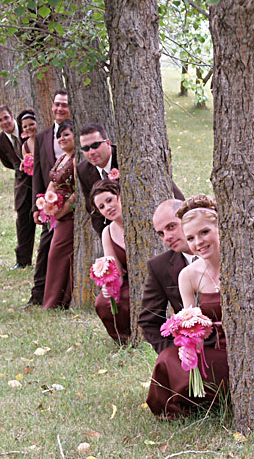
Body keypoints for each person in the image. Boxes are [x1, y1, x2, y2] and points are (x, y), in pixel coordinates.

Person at [146, 196, 231, 419]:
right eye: (191, 238)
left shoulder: (241, 263)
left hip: (242, 348)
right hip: (211, 348)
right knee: (168, 359)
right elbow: (189, 320)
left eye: (204, 233)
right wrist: (187, 345)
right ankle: (190, 405)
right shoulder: (188, 275)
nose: (198, 242)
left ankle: (221, 398)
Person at [75, 123, 187, 237]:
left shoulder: (127, 158)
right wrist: (108, 237)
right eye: (85, 148)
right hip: (117, 231)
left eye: (95, 145)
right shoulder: (82, 170)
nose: (91, 152)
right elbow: (93, 210)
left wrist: (185, 215)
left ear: (108, 143)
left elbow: (167, 188)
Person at [28, 89, 71, 307]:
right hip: (50, 205)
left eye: (64, 104)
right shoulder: (43, 136)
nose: (60, 108)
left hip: (71, 205)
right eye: (57, 104)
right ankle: (37, 294)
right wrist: (38, 205)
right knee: (45, 247)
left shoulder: (76, 133)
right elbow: (37, 172)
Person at [138, 199, 192, 354]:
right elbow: (149, 321)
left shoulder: (224, 252)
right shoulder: (160, 266)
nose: (167, 237)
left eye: (171, 227)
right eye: (161, 233)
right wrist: (174, 352)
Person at [0, 105, 35, 269]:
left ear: (12, 116)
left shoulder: (27, 128)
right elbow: (7, 163)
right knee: (23, 220)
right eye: (0, 120)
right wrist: (22, 168)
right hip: (22, 183)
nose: (4, 123)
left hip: (40, 179)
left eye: (6, 118)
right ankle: (23, 260)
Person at [41, 120, 78, 309]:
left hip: (70, 215)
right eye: (59, 136)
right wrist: (46, 205)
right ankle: (54, 300)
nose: (62, 139)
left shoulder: (77, 159)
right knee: (54, 254)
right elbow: (53, 183)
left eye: (66, 135)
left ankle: (55, 302)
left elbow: (77, 192)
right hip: (57, 213)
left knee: (57, 254)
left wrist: (62, 211)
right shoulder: (62, 158)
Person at [90, 179, 131, 343]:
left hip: (155, 278)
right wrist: (109, 286)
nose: (108, 208)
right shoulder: (107, 232)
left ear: (120, 196)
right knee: (102, 301)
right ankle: (124, 340)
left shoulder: (140, 222)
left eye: (109, 200)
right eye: (101, 207)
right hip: (129, 281)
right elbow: (116, 272)